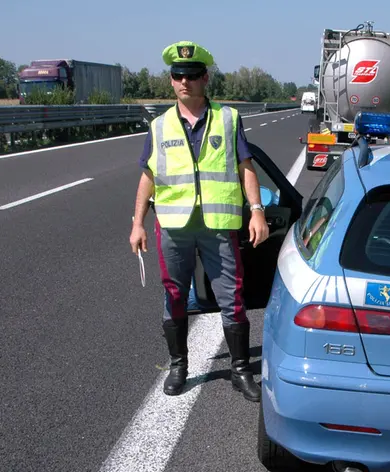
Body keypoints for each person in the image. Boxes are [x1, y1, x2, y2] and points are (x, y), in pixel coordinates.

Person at [129, 40, 269, 402]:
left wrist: (256, 210)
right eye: (178, 75)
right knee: (174, 295)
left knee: (232, 297)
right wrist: (137, 223)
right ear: (171, 80)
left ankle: (240, 371)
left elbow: (245, 168)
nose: (184, 81)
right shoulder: (159, 127)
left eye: (192, 74)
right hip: (174, 227)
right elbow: (148, 176)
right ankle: (179, 367)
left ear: (205, 78)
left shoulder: (228, 118)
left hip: (218, 224)